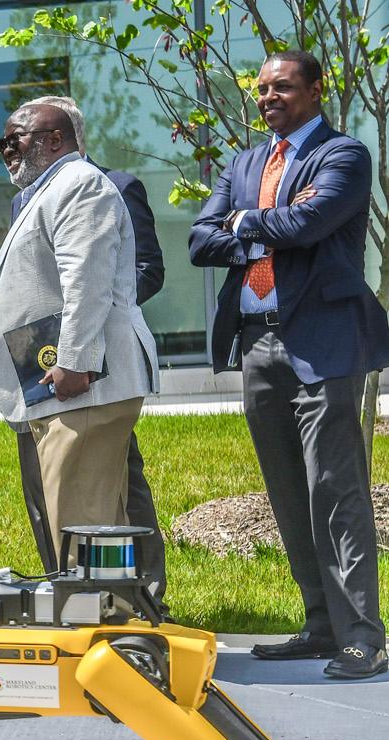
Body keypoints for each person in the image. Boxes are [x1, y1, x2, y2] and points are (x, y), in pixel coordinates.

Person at [189, 50, 389, 679]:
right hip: (258, 343)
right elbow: (200, 240)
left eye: (282, 87)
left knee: (336, 490)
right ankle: (321, 625)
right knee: (287, 490)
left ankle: (363, 635)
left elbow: (308, 222)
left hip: (323, 342)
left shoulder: (343, 155)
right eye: (262, 89)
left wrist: (244, 223)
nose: (268, 97)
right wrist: (261, 224)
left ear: (315, 91)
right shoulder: (247, 162)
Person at [6, 94, 170, 608]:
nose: (7, 152)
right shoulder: (49, 189)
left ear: (56, 139)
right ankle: (119, 620)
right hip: (56, 379)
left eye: (16, 140)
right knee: (96, 519)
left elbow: (87, 280)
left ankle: (107, 633)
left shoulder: (79, 185)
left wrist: (75, 360)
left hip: (82, 381)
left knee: (84, 521)